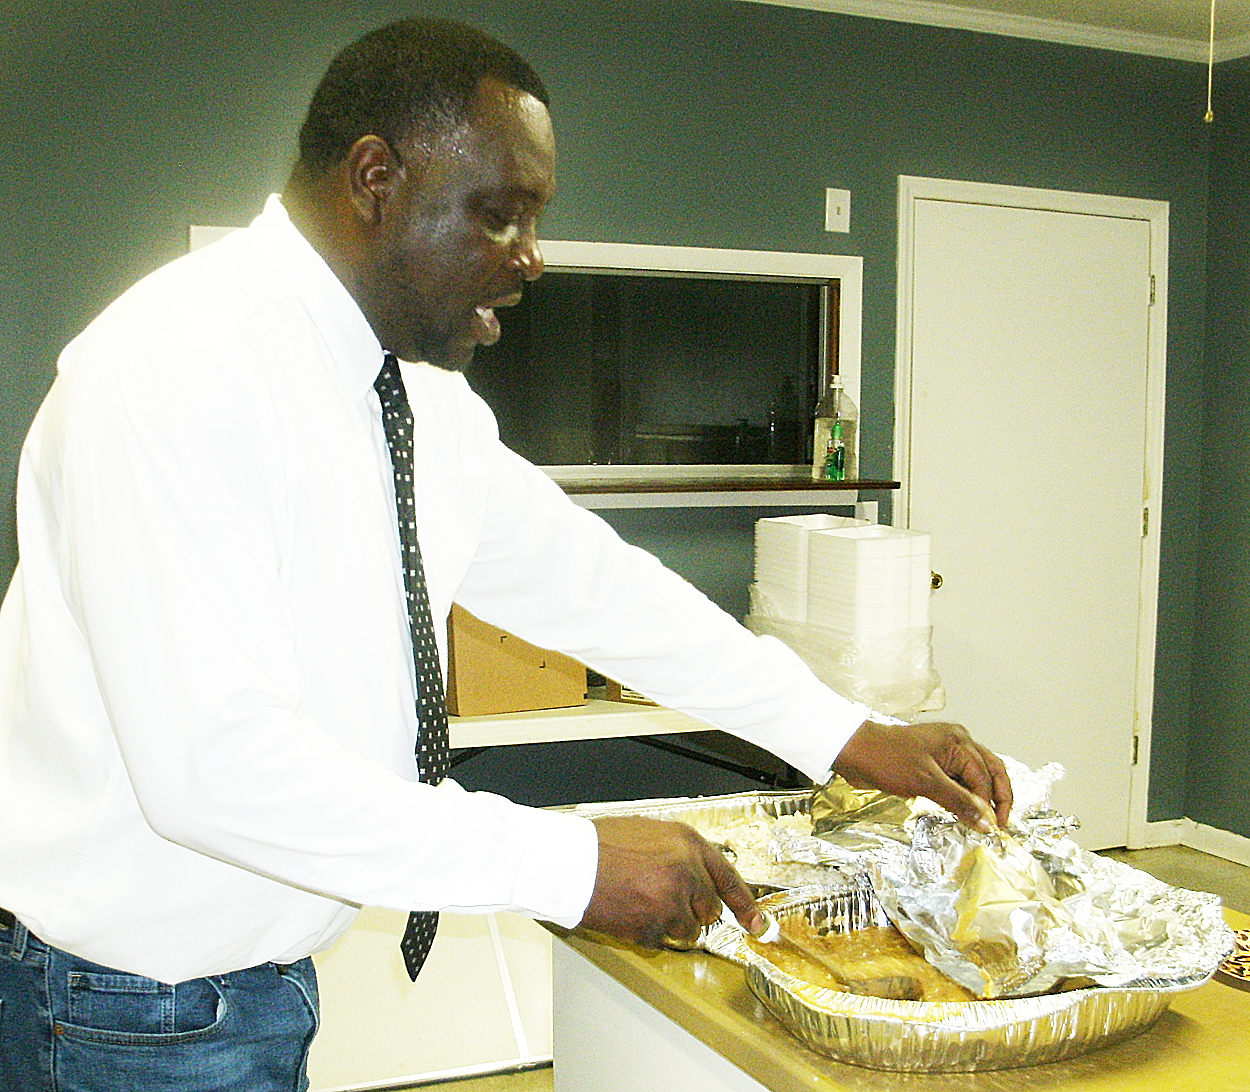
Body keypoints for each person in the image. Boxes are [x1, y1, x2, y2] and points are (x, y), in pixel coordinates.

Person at [0, 17, 1011, 1091]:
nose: (531, 258)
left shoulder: (417, 398)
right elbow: (213, 771)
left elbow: (604, 594)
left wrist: (845, 731)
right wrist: (568, 864)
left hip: (242, 989)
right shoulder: (173, 371)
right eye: (499, 214)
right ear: (375, 178)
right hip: (117, 1013)